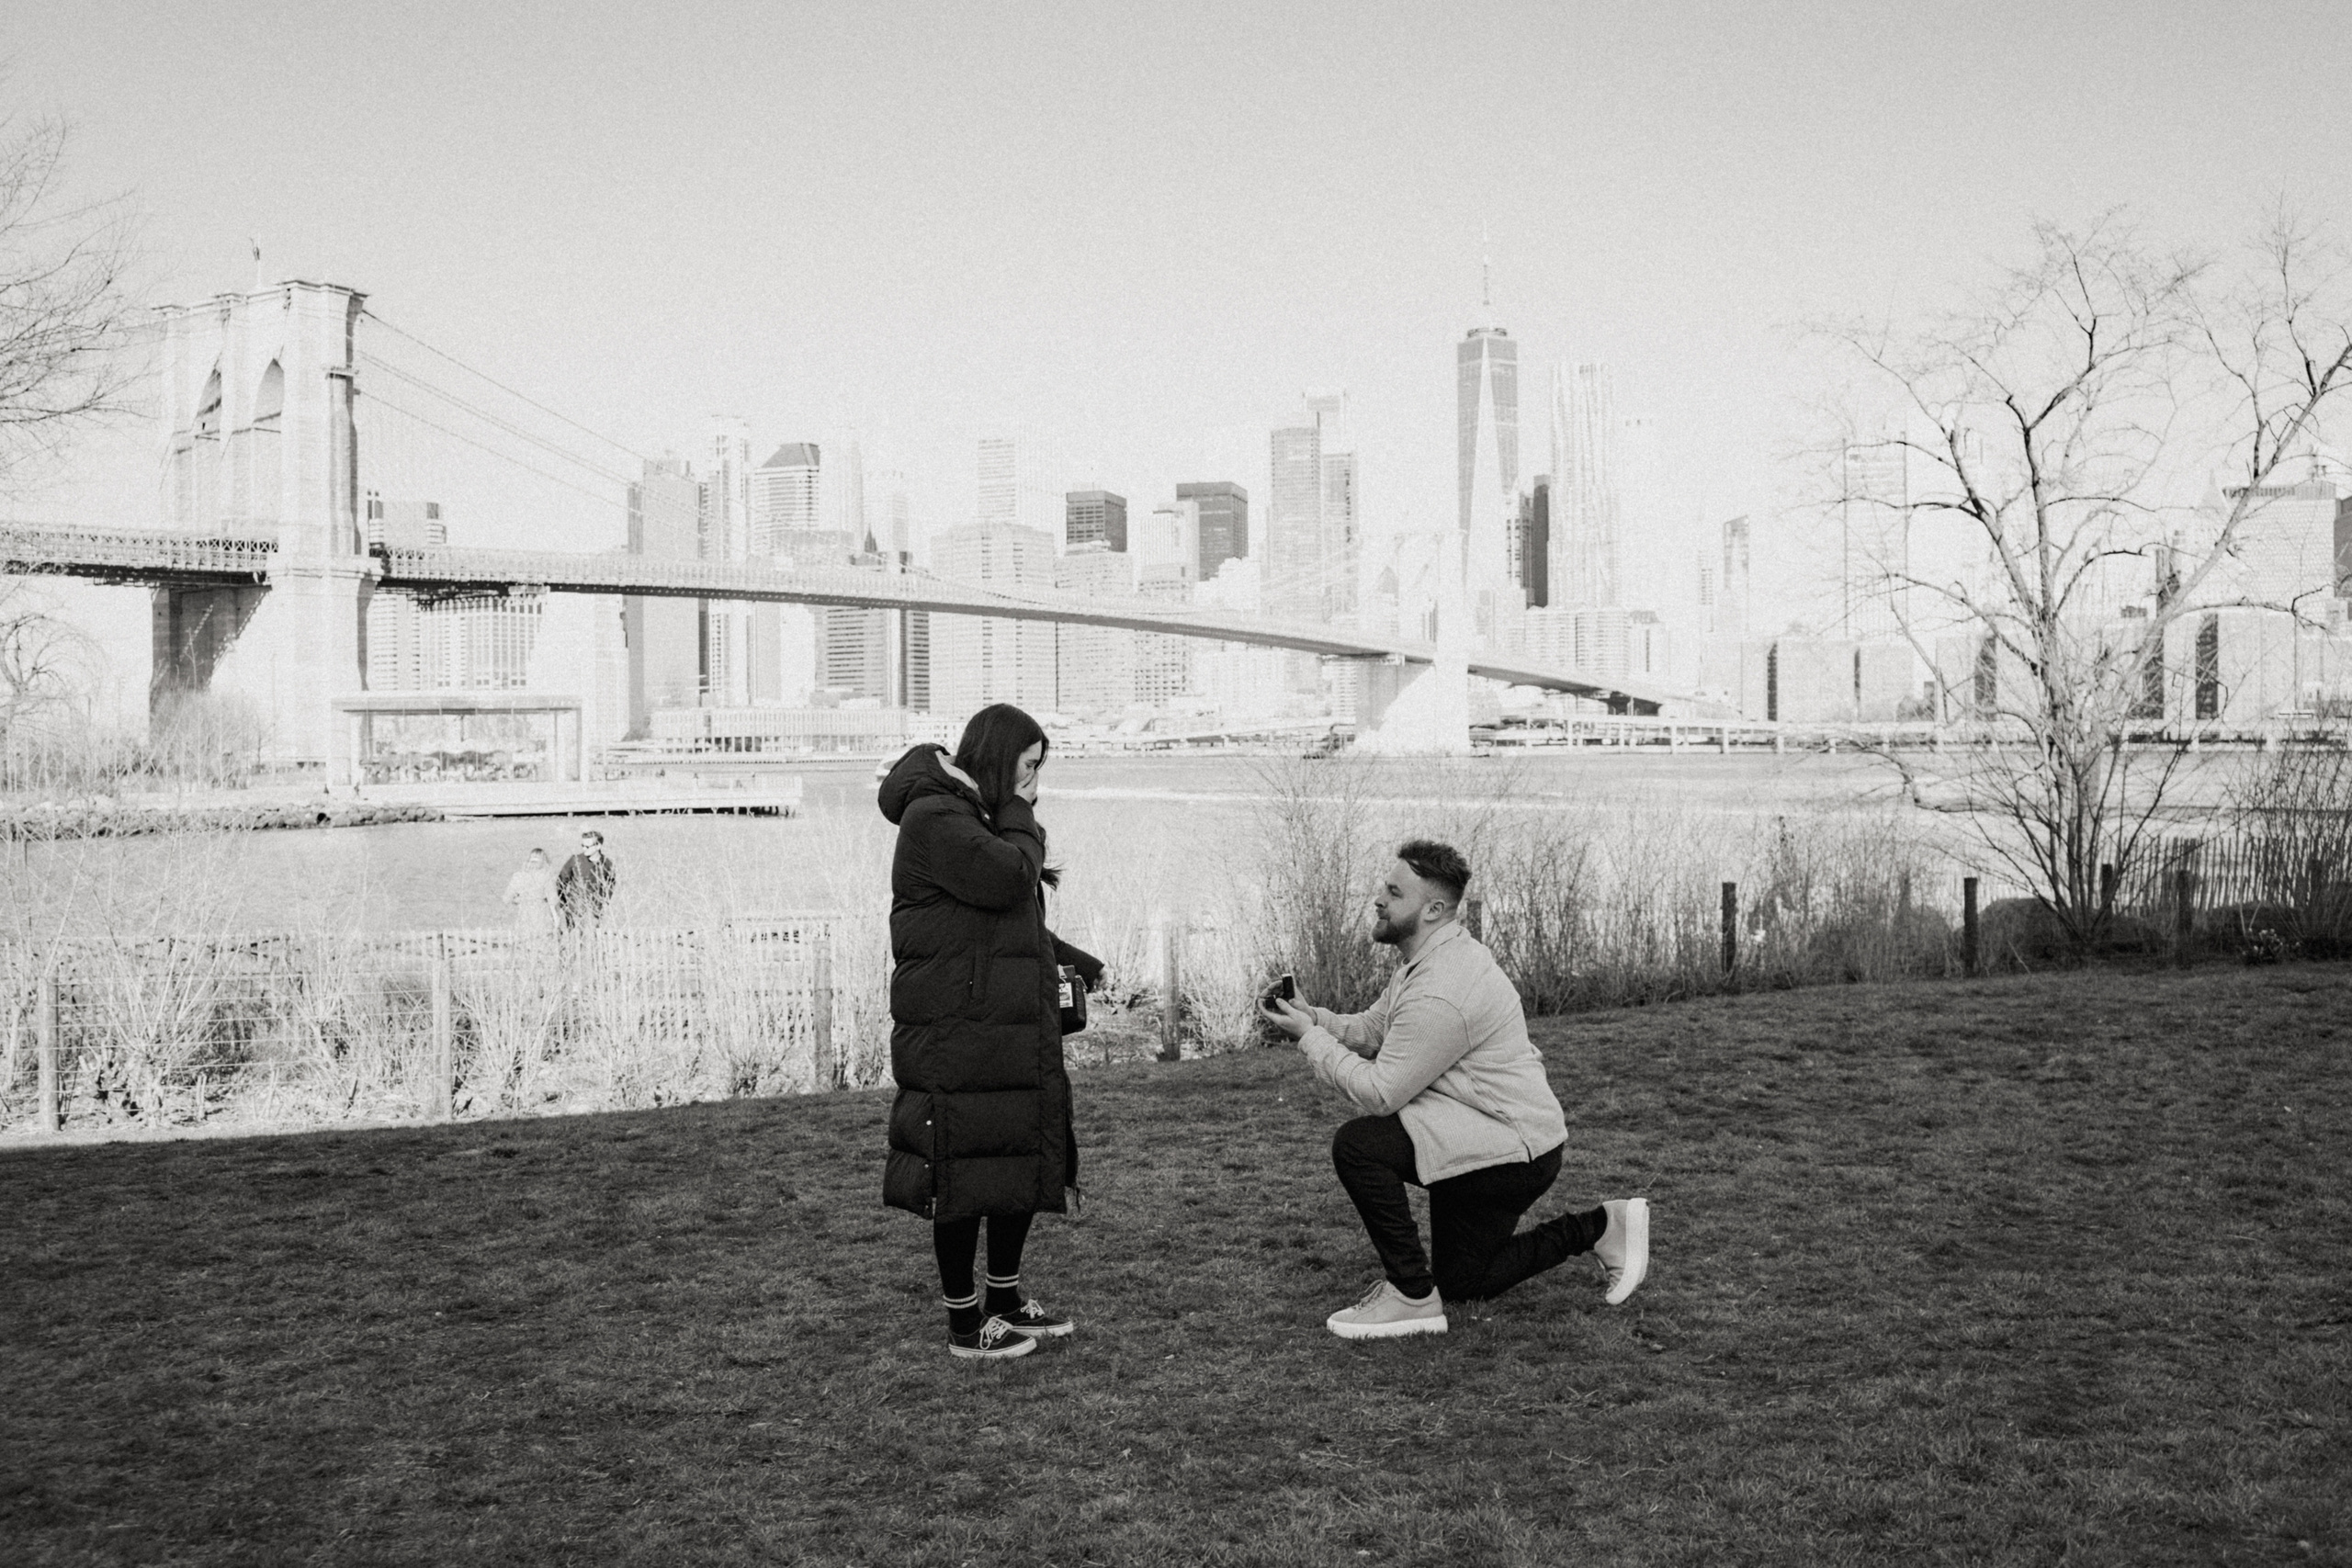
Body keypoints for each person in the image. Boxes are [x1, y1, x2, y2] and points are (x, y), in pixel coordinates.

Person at [1261, 839, 1651, 1340]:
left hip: (1511, 1152)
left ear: (1434, 909)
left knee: (1360, 1146)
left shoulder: (1444, 988)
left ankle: (1409, 1296)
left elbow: (1380, 1094)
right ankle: (1602, 1227)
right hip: (1487, 1135)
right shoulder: (1432, 959)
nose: (1379, 898)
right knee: (1465, 1281)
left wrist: (1310, 1040)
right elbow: (1374, 1030)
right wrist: (1312, 1017)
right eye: (1385, 886)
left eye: (1394, 892)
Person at [877, 705, 1104, 1360]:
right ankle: (965, 1327)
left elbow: (1002, 917)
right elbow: (1010, 876)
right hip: (958, 1030)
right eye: (1028, 767)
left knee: (1016, 1158)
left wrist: (1074, 960)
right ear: (1000, 757)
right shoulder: (936, 818)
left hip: (1002, 1025)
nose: (1035, 783)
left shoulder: (970, 815)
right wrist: (1021, 812)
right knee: (964, 1172)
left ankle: (1003, 1298)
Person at [555, 829, 616, 931]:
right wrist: (564, 905)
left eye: (587, 847)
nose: (584, 849)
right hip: (575, 910)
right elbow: (560, 882)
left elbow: (610, 886)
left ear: (598, 846)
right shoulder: (575, 860)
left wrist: (604, 903)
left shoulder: (607, 864)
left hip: (595, 911)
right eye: (582, 846)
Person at [503, 847, 559, 937]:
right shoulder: (546, 876)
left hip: (523, 918)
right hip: (542, 918)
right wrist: (556, 921)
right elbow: (553, 901)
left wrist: (520, 899)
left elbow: (506, 899)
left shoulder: (518, 876)